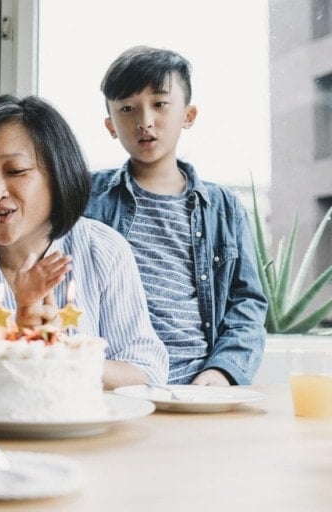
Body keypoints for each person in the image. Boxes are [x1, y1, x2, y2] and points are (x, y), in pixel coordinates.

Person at [0, 94, 169, 389]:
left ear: (58, 172)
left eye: (16, 171)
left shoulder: (101, 249)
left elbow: (147, 373)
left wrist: (62, 355)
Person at [84, 46, 267, 385]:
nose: (145, 121)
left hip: (198, 385)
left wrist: (224, 370)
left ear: (189, 115)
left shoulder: (223, 207)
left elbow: (248, 304)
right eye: (127, 108)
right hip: (118, 383)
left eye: (160, 104)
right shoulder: (88, 198)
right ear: (110, 125)